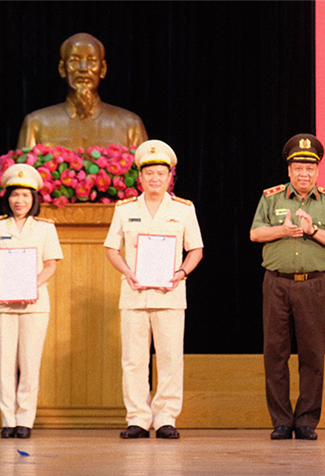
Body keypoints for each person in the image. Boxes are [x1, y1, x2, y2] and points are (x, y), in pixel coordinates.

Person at [250, 133, 325, 440]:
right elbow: (255, 234)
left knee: (312, 354)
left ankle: (306, 420)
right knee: (275, 353)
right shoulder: (272, 197)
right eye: (298, 168)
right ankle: (281, 420)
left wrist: (312, 230)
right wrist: (282, 230)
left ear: (317, 171)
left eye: (309, 168)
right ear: (289, 170)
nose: (304, 174)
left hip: (313, 284)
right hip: (276, 283)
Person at [104, 140, 203, 439]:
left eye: (161, 173)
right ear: (140, 177)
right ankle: (137, 418)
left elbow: (196, 249)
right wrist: (127, 272)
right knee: (134, 360)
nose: (155, 179)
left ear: (170, 177)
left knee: (170, 358)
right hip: (134, 295)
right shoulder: (125, 210)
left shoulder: (184, 209)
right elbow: (111, 248)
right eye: (149, 173)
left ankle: (165, 418)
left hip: (170, 295)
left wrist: (181, 273)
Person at [0, 164, 63, 438]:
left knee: (29, 363)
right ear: (8, 197)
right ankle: (8, 420)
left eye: (25, 195)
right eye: (15, 195)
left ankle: (25, 420)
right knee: (5, 364)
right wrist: (0, 285)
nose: (20, 200)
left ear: (34, 198)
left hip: (34, 305)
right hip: (1, 304)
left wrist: (31, 285)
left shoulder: (45, 228)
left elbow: (51, 264)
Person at [17, 33, 148, 151]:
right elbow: (21, 170)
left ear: (103, 69)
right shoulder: (36, 123)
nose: (83, 68)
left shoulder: (130, 124)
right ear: (62, 69)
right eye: (74, 60)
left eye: (92, 61)